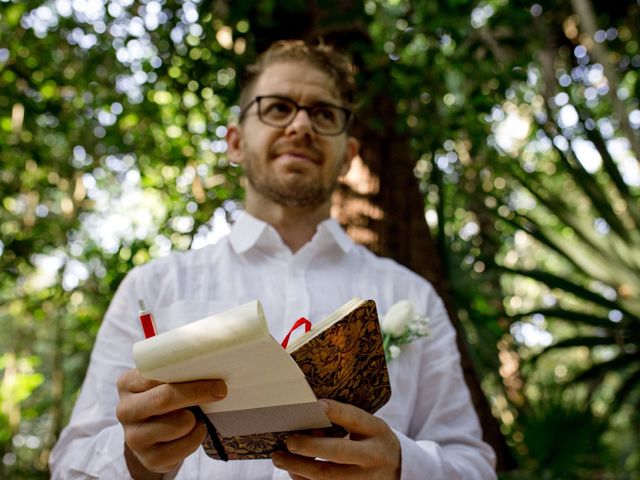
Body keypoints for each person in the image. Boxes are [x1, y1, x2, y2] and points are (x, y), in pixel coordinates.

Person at [50, 40, 497, 479]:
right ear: (235, 142)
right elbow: (71, 465)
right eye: (278, 108)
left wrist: (401, 467)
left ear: (349, 157)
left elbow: (473, 466)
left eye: (324, 114)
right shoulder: (152, 289)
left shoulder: (413, 296)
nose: (301, 125)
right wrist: (135, 461)